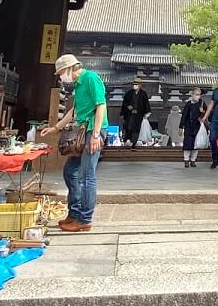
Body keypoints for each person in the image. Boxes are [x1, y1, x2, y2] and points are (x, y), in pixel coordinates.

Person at [41, 54, 107, 232]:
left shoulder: (91, 78)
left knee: (87, 175)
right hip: (81, 132)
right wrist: (55, 128)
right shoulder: (78, 86)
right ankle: (74, 213)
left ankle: (84, 219)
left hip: (92, 131)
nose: (61, 76)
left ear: (71, 68)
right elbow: (74, 111)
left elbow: (101, 105)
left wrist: (95, 135)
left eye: (62, 72)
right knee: (70, 171)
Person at [121, 78, 151, 149]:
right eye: (134, 84)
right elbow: (124, 103)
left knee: (137, 128)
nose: (135, 86)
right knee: (129, 126)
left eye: (136, 84)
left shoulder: (143, 94)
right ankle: (128, 139)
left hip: (139, 114)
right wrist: (127, 107)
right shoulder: (129, 93)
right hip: (130, 114)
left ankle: (134, 142)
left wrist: (146, 113)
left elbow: (146, 104)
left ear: (140, 85)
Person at [180, 88, 205, 168]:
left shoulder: (202, 103)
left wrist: (203, 112)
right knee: (187, 144)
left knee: (196, 145)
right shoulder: (188, 104)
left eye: (199, 94)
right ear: (192, 95)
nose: (198, 96)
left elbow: (208, 113)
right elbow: (184, 116)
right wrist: (181, 127)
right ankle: (186, 160)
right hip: (188, 127)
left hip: (197, 127)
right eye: (196, 94)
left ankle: (193, 160)